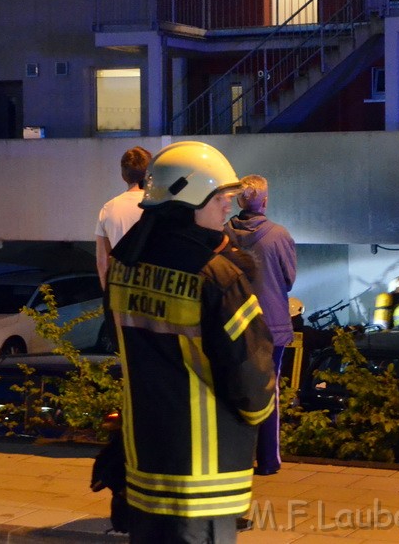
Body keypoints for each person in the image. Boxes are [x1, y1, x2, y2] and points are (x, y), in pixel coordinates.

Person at [106, 140, 275, 544]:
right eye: (222, 197)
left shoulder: (123, 266)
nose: (228, 207)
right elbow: (253, 378)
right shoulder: (217, 277)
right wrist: (255, 417)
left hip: (145, 461)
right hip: (205, 476)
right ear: (191, 197)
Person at [223, 174, 296, 477]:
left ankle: (236, 457)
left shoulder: (224, 232)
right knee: (270, 391)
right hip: (271, 324)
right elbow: (289, 279)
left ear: (240, 201)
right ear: (264, 201)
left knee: (234, 388)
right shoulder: (279, 235)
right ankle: (268, 460)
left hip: (233, 322)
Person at [95, 146, 152, 288]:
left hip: (122, 293)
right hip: (154, 294)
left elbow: (102, 261)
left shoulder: (108, 209)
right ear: (149, 174)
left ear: (123, 175)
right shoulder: (162, 206)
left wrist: (108, 296)